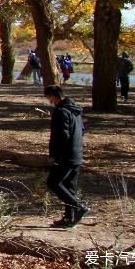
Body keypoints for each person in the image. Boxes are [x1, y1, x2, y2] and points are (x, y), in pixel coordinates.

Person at [43, 84, 88, 227]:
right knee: (69, 187)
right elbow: (82, 129)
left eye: (49, 98)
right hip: (77, 153)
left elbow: (61, 135)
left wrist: (55, 154)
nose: (49, 101)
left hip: (65, 155)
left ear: (54, 96)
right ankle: (69, 218)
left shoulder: (60, 111)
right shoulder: (75, 110)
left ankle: (78, 206)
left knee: (53, 182)